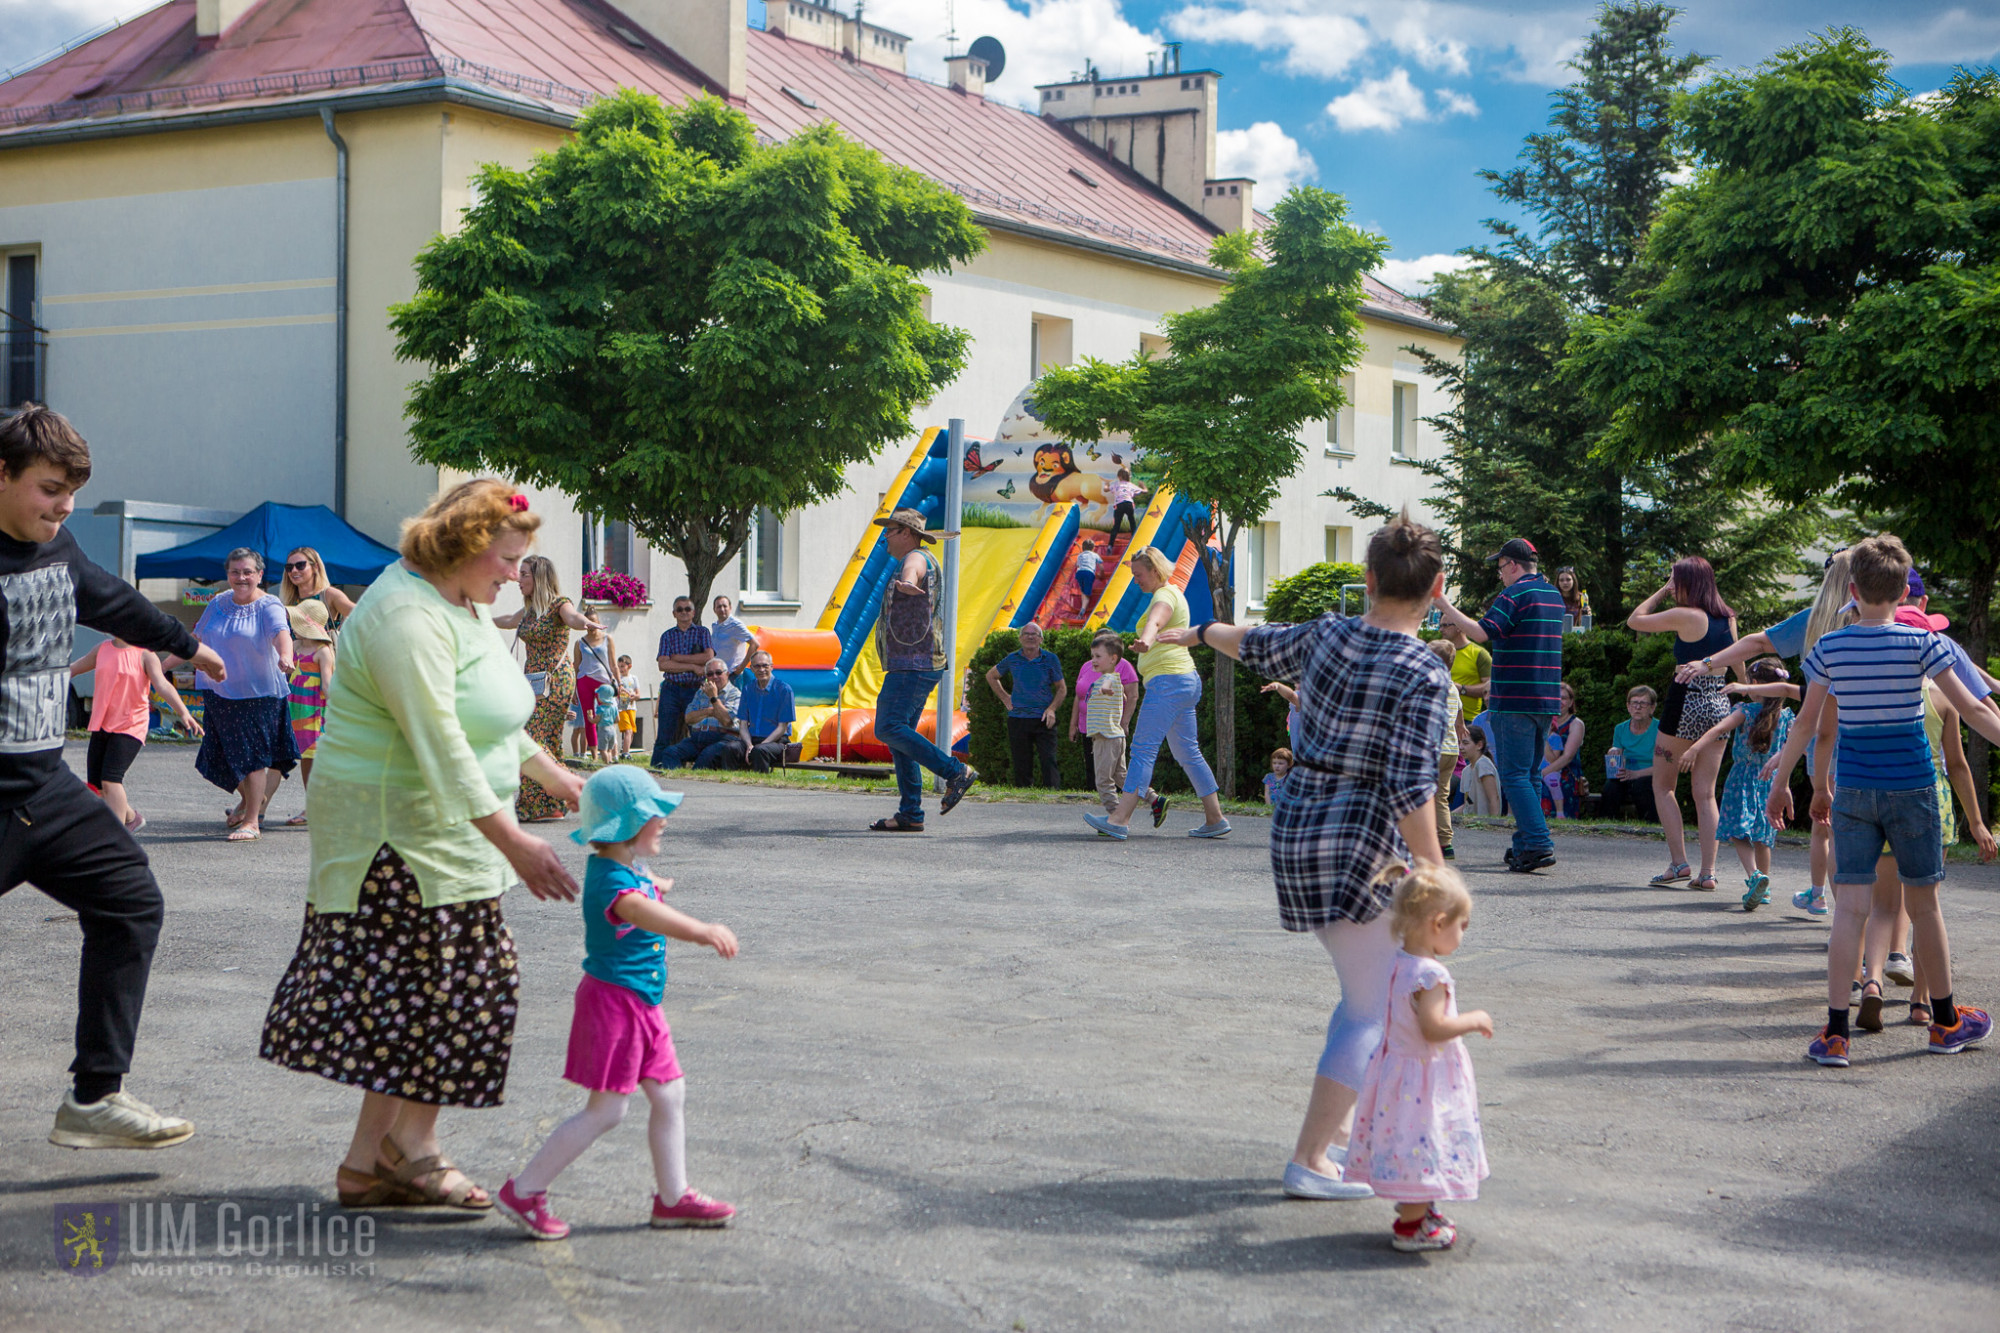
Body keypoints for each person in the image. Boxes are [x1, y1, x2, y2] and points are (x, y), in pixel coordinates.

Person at [259, 479, 583, 1210]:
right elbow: (439, 742)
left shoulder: (455, 601)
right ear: (463, 546)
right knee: (452, 991)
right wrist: (518, 843)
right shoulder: (407, 614)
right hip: (397, 835)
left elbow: (491, 714)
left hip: (444, 830)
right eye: (505, 559)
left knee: (420, 999)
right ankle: (409, 1149)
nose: (513, 574)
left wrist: (560, 778)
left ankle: (372, 1159)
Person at [1166, 512, 1450, 1203]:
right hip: (1359, 838)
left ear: (1369, 577)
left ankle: (1337, 1132)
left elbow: (1250, 641)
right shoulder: (1424, 670)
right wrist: (1441, 873)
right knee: (1372, 1010)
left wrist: (1198, 631)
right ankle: (1310, 1157)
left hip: (1299, 827)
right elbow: (1411, 785)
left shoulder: (1329, 634)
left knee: (1364, 995)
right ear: (1438, 588)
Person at [0, 405, 226, 1149]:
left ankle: (95, 1097)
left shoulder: (56, 549)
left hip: (43, 785)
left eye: (71, 491)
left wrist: (186, 645)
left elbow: (109, 598)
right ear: (1, 475)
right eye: (49, 489)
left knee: (130, 900)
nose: (64, 506)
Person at [1762, 535, 2000, 1066]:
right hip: (1913, 789)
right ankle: (1944, 1023)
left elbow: (1806, 725)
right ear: (1904, 592)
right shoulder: (1925, 645)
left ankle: (1836, 1034)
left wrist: (1781, 786)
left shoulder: (1829, 648)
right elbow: (1977, 712)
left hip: (1854, 789)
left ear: (1852, 590)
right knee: (1924, 905)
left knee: (1849, 908)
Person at [495, 767, 737, 1238]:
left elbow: (647, 887)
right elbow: (644, 911)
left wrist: (659, 883)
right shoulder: (611, 884)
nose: (664, 820)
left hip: (641, 1004)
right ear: (626, 826)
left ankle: (673, 1199)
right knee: (607, 1111)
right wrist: (703, 931)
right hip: (615, 1006)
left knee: (670, 1094)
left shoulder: (627, 867)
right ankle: (524, 1191)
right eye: (654, 814)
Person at [1676, 551, 1855, 911]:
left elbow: (1758, 644)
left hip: (1828, 743)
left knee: (1835, 831)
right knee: (1860, 840)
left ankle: (1847, 921)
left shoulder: (1815, 623)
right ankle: (1886, 942)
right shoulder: (1882, 626)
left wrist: (1707, 662)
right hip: (1878, 742)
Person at [1343, 865, 1492, 1252]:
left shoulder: (1397, 963)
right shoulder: (1431, 976)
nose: (1463, 934)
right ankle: (1411, 1226)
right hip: (1424, 1077)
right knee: (1424, 1138)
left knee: (1409, 1140)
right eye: (1463, 925)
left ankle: (1419, 1209)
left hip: (1396, 1073)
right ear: (1438, 923)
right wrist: (1471, 1021)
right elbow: (1433, 1028)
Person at [1432, 537, 1564, 873]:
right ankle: (1525, 844)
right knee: (1530, 775)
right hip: (1545, 698)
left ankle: (1537, 842)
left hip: (1515, 697)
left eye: (1500, 567)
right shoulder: (1552, 593)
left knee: (1515, 775)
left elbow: (1482, 632)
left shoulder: (1514, 593)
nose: (1499, 575)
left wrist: (1443, 603)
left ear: (1513, 565)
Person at [1082, 546, 1227, 840]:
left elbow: (1155, 621)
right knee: (1189, 752)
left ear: (1155, 570)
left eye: (1138, 574)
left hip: (1168, 683)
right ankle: (1215, 818)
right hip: (1185, 681)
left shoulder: (1163, 596)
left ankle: (1119, 819)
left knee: (1143, 750)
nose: (1136, 580)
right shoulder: (1174, 593)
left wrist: (1146, 641)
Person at [1628, 557, 1739, 890]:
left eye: (1675, 580)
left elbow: (1635, 620)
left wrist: (1662, 592)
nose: (1672, 585)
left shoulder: (1686, 615)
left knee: (1664, 786)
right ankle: (1709, 872)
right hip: (1719, 700)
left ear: (1687, 582)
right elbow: (1739, 660)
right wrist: (1745, 693)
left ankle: (1679, 864)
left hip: (1686, 698)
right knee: (1706, 794)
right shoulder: (1728, 617)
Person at [867, 508, 977, 832]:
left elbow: (912, 572)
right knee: (901, 737)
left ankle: (956, 772)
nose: (885, 536)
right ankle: (911, 813)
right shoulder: (918, 557)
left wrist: (906, 582)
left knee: (887, 727)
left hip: (912, 665)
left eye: (890, 530)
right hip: (915, 663)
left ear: (906, 533)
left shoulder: (915, 558)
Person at [192, 547, 298, 842]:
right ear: (227, 575)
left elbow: (282, 633)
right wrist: (160, 665)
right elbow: (195, 640)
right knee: (220, 756)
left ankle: (252, 820)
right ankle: (253, 800)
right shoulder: (217, 602)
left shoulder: (270, 605)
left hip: (258, 695)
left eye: (248, 572)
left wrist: (285, 656)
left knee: (253, 760)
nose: (241, 577)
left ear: (260, 575)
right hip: (218, 691)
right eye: (235, 572)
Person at [1681, 658, 1796, 911]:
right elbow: (1794, 747)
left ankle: (1755, 876)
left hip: (1742, 779)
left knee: (1737, 829)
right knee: (1763, 835)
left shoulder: (1746, 711)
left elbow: (1716, 730)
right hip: (1770, 781)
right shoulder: (1787, 716)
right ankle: (1764, 887)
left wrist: (1694, 749)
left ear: (1754, 685)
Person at [495, 555, 600, 821]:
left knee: (531, 740)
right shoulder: (530, 609)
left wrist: (585, 623)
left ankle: (574, 788)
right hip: (533, 681)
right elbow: (509, 621)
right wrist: (478, 617)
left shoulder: (558, 604)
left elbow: (573, 618)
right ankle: (548, 805)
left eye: (525, 574)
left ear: (539, 577)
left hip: (554, 680)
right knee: (547, 741)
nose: (519, 580)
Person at [70, 636, 201, 835]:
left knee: (111, 780)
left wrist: (183, 712)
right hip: (103, 723)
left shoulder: (146, 655)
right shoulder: (102, 649)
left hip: (130, 725)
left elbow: (163, 686)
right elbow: (75, 668)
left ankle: (115, 837)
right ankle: (131, 818)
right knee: (98, 788)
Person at [985, 622, 1067, 788]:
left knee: (1048, 760)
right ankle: (1024, 799)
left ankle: (1053, 799)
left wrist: (1052, 709)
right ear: (1020, 638)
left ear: (1041, 639)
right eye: (1026, 634)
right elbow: (991, 676)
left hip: (1043, 717)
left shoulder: (1050, 659)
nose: (1030, 636)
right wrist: (1005, 698)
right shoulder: (1012, 659)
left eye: (1034, 634)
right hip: (1018, 717)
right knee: (1021, 762)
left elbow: (1062, 689)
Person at [1076, 632, 1150, 814]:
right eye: (1092, 656)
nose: (1093, 660)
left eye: (1098, 656)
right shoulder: (1112, 678)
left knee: (1103, 780)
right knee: (1122, 777)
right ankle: (1153, 798)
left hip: (1106, 737)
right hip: (1115, 737)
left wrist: (1104, 689)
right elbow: (1121, 695)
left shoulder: (1109, 678)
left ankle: (1115, 818)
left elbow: (1108, 687)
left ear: (1113, 659)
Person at [281, 599, 336, 825]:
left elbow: (327, 686)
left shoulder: (324, 651)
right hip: (295, 711)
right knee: (306, 759)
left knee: (319, 761)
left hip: (315, 713)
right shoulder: (294, 647)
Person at [649, 598, 714, 768]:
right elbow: (663, 665)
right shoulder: (667, 635)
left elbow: (708, 657)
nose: (684, 612)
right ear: (674, 613)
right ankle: (658, 767)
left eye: (687, 609)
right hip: (671, 689)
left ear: (693, 612)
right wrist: (693, 665)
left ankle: (700, 767)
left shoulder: (702, 632)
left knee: (697, 731)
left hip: (695, 689)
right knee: (665, 733)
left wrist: (677, 659)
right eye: (679, 609)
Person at [720, 650, 796, 772]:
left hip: (777, 741)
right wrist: (749, 745)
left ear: (772, 667)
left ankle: (759, 785)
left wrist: (761, 745)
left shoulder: (784, 690)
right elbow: (743, 724)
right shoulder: (747, 689)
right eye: (757, 666)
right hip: (752, 739)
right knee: (730, 748)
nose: (761, 670)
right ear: (752, 668)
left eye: (765, 665)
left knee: (759, 751)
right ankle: (729, 783)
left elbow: (782, 728)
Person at [655, 660, 740, 769]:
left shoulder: (735, 694)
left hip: (723, 737)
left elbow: (727, 720)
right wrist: (710, 711)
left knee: (703, 760)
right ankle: (677, 781)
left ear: (727, 674)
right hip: (699, 737)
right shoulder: (701, 693)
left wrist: (713, 698)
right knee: (670, 752)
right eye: (710, 674)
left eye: (718, 672)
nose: (714, 677)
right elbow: (689, 718)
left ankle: (692, 783)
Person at [1597, 686, 1661, 823]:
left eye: (1643, 703)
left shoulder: (1660, 730)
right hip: (1626, 773)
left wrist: (1636, 774)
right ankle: (1606, 824)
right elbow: (1617, 754)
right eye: (1634, 703)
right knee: (1611, 787)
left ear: (1652, 707)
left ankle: (1651, 825)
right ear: (1628, 706)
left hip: (1650, 774)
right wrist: (1613, 754)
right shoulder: (1620, 728)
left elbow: (1665, 765)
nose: (1638, 707)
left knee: (1642, 786)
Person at [1428, 639, 1467, 858]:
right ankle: (1446, 843)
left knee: (1420, 794)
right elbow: (1459, 712)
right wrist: (1460, 726)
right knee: (1440, 797)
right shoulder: (1452, 687)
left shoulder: (1430, 683)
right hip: (1451, 750)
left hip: (1431, 749)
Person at [279, 545, 356, 633]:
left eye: (300, 565)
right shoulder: (289, 601)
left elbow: (362, 616)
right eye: (289, 567)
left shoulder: (329, 595)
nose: (294, 570)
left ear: (315, 567)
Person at [1540, 681, 1586, 821]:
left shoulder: (1576, 724)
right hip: (1540, 769)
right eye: (1556, 698)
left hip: (1565, 773)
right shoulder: (1543, 722)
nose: (1559, 701)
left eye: (1564, 698)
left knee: (1545, 787)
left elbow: (1567, 757)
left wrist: (1541, 774)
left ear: (1571, 702)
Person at [572, 622, 619, 757]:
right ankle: (594, 754)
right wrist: (573, 689)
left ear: (598, 623)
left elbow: (613, 664)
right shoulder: (579, 642)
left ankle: (611, 752)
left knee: (607, 715)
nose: (591, 627)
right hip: (584, 680)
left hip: (603, 683)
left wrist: (619, 684)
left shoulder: (607, 639)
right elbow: (576, 666)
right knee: (589, 718)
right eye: (588, 623)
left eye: (593, 622)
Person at [1439, 622, 1489, 723]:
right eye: (1440, 626)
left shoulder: (1479, 653)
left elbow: (1491, 687)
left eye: (1445, 625)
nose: (1441, 629)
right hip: (1439, 717)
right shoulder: (1437, 651)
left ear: (1459, 627)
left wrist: (1461, 689)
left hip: (1467, 721)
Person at [709, 595, 756, 680]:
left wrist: (741, 667)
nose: (722, 609)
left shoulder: (735, 625)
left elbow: (754, 644)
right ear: (714, 610)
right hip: (718, 674)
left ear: (730, 608)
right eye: (719, 607)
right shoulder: (715, 625)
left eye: (725, 606)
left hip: (733, 675)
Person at [1463, 730, 1502, 816]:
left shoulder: (1483, 764)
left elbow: (1494, 798)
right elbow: (1468, 804)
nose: (1460, 747)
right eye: (1459, 743)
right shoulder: (1466, 770)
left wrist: (1492, 824)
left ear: (1479, 745)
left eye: (1465, 743)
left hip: (1483, 823)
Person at [615, 655, 641, 758]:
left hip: (632, 707)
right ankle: (625, 753)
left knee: (631, 731)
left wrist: (634, 696)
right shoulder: (618, 679)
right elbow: (618, 691)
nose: (620, 669)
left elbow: (638, 694)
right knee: (627, 730)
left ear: (629, 666)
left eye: (622, 666)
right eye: (619, 667)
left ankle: (626, 750)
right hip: (622, 707)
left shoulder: (634, 678)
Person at [1106, 469, 1141, 540]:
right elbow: (1142, 491)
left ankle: (1110, 545)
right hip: (1129, 503)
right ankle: (1134, 539)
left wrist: (1106, 484)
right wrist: (1142, 486)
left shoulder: (1116, 484)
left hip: (1119, 504)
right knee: (1132, 522)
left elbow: (1105, 489)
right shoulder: (1130, 485)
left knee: (1116, 525)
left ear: (1120, 477)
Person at [1553, 565, 1590, 630]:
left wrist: (1587, 614)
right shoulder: (1553, 597)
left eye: (1568, 580)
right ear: (1558, 582)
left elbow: (1582, 622)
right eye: (1561, 580)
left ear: (1574, 581)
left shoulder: (1581, 597)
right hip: (1556, 634)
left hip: (1573, 634)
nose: (1565, 583)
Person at [1075, 539, 1101, 604]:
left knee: (1083, 590)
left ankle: (1083, 602)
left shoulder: (1080, 555)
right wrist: (1101, 575)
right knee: (1087, 593)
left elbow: (1077, 566)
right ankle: (1083, 608)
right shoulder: (1095, 555)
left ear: (1083, 548)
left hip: (1079, 573)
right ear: (1093, 548)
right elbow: (1101, 567)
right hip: (1089, 573)